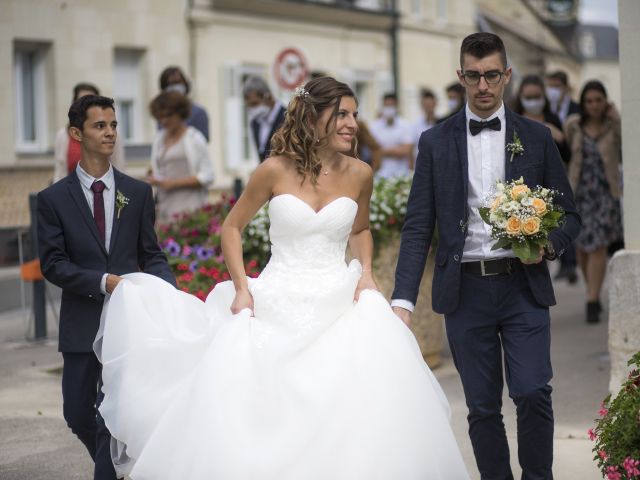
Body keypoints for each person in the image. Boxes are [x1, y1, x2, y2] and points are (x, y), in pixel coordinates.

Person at [94, 77, 470, 479]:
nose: (352, 124)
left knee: (354, 406)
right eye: (341, 114)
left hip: (339, 298)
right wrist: (241, 288)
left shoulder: (361, 173)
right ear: (313, 117)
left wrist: (367, 276)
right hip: (276, 296)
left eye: (354, 115)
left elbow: (360, 231)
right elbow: (232, 228)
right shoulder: (273, 170)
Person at [392, 33, 581, 480]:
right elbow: (418, 225)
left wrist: (546, 243)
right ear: (461, 77)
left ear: (506, 76)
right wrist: (401, 301)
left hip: (523, 285)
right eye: (473, 76)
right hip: (465, 290)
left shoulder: (536, 138)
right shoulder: (434, 142)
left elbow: (570, 215)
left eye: (491, 75)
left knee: (533, 391)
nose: (482, 85)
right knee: (481, 407)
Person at [37, 95, 176, 480]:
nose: (110, 132)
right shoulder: (52, 199)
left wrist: (168, 295)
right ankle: (117, 465)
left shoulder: (138, 193)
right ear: (76, 133)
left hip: (129, 326)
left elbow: (151, 255)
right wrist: (102, 282)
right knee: (78, 413)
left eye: (114, 125)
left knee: (110, 417)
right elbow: (53, 264)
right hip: (82, 322)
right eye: (100, 126)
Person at [564, 80, 622, 323]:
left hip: (605, 194)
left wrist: (616, 117)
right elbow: (567, 152)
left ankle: (592, 298)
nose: (594, 105)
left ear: (605, 102)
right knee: (582, 250)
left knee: (598, 246)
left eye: (599, 100)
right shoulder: (574, 126)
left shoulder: (612, 126)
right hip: (580, 194)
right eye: (589, 101)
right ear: (583, 104)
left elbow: (625, 145)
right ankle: (593, 292)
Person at [514, 74, 577, 283]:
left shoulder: (551, 119)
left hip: (550, 188)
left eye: (537, 96)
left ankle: (565, 265)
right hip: (521, 190)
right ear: (521, 97)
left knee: (554, 230)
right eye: (528, 96)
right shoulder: (513, 121)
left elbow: (568, 154)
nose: (533, 101)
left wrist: (557, 135)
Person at [148, 91, 214, 223]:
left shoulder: (195, 138)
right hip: (164, 208)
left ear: (180, 113)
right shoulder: (159, 138)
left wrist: (173, 183)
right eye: (160, 117)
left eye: (169, 115)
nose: (164, 120)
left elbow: (208, 176)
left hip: (190, 208)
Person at [54, 83, 125, 182]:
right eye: (82, 101)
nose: (86, 106)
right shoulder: (63, 136)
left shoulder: (112, 135)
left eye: (91, 102)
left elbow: (119, 168)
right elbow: (60, 172)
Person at [159, 66, 210, 141]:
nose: (175, 88)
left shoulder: (198, 112)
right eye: (170, 85)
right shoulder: (162, 113)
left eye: (177, 83)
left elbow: (203, 141)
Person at [243, 76, 287, 162]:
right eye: (248, 105)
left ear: (268, 96)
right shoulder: (255, 123)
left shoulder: (288, 118)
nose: (252, 109)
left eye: (255, 103)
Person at [369, 93, 414, 178]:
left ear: (396, 106)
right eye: (387, 105)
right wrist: (398, 148)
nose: (389, 109)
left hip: (402, 175)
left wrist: (382, 150)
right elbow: (371, 150)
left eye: (391, 105)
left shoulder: (406, 125)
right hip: (380, 175)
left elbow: (407, 150)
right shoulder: (374, 126)